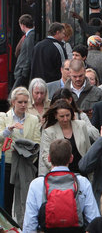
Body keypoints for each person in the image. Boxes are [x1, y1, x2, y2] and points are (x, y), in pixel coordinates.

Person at [23, 139, 100, 233]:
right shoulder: (82, 182)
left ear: (49, 158)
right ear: (71, 158)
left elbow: (29, 225)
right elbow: (94, 220)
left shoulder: (37, 184)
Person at [0, 87, 41, 220]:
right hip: (7, 164)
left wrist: (28, 156)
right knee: (6, 199)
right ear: (13, 102)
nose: (23, 105)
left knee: (24, 199)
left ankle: (23, 226)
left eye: (25, 102)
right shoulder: (3, 117)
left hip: (25, 164)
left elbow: (37, 142)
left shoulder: (34, 119)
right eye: (20, 102)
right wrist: (8, 130)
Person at [39, 99, 95, 176]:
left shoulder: (81, 125)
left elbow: (88, 149)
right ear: (55, 116)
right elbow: (46, 156)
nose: (65, 119)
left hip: (82, 172)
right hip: (61, 173)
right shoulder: (49, 131)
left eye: (67, 115)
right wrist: (57, 171)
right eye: (62, 116)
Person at [13, 14, 35, 89]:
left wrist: (24, 73)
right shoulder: (28, 36)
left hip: (23, 73)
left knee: (14, 94)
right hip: (21, 71)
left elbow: (29, 56)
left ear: (22, 25)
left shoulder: (30, 36)